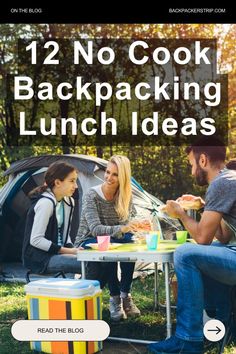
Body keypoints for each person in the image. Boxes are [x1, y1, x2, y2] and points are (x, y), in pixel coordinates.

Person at [148, 137, 236, 354]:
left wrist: (180, 214)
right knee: (200, 251)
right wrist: (205, 206)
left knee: (185, 253)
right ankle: (221, 324)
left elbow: (203, 238)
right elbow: (223, 236)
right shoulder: (229, 179)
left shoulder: (221, 183)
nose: (191, 171)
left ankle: (187, 340)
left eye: (191, 164)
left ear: (203, 159)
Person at [75, 155, 149, 321]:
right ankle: (114, 298)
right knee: (106, 245)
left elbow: (128, 223)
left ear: (123, 177)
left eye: (115, 174)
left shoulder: (125, 195)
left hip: (114, 239)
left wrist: (137, 228)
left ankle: (125, 295)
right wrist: (122, 229)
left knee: (130, 242)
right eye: (108, 172)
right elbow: (95, 229)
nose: (109, 177)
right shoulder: (91, 195)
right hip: (88, 239)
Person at [22, 161, 81, 276]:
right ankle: (79, 292)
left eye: (76, 181)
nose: (76, 186)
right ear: (58, 182)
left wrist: (75, 250)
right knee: (88, 264)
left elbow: (65, 235)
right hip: (40, 258)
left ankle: (82, 291)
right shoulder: (46, 203)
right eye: (72, 181)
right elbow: (36, 240)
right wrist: (69, 251)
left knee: (95, 261)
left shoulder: (68, 201)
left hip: (57, 253)